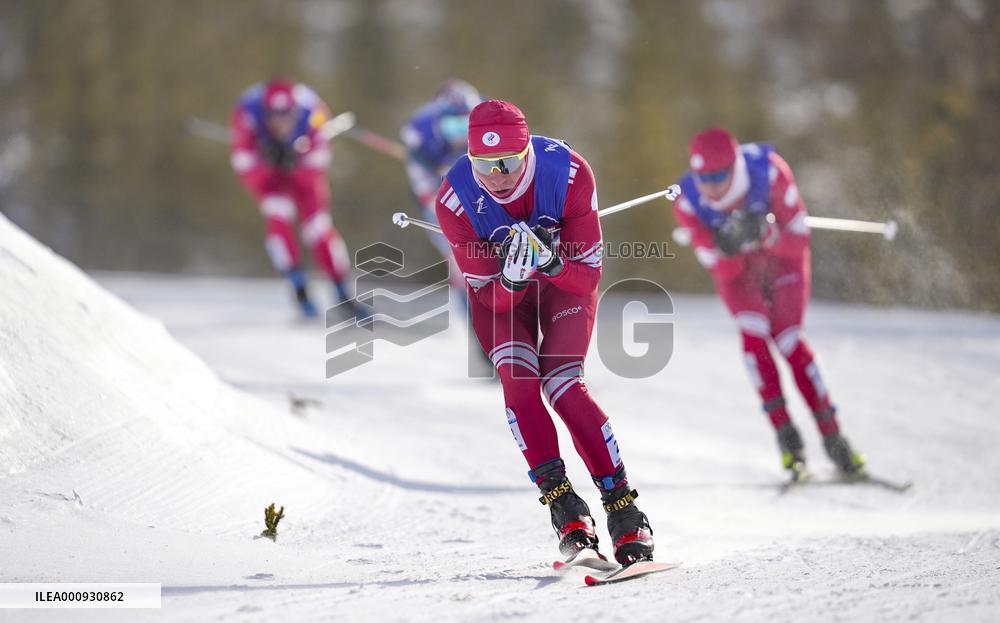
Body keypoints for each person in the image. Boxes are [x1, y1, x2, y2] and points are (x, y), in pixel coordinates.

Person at [434, 99, 655, 565]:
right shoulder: (454, 199)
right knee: (518, 378)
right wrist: (512, 278)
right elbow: (489, 300)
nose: (496, 176)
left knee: (562, 384)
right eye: (483, 164)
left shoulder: (568, 173)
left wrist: (551, 261)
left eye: (507, 163)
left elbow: (588, 278)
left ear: (527, 154)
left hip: (563, 288)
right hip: (502, 297)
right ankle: (565, 508)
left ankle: (624, 511)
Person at [672, 127, 865, 479]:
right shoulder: (686, 201)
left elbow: (799, 239)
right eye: (703, 177)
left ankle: (836, 441)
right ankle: (788, 441)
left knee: (789, 339)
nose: (710, 186)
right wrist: (727, 245)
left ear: (734, 167)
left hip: (782, 266)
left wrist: (765, 233)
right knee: (753, 337)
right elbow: (722, 270)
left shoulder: (770, 172)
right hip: (740, 276)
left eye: (718, 176)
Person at [230, 78, 353, 317]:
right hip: (269, 179)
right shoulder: (246, 114)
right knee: (279, 214)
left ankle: (343, 293)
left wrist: (295, 161)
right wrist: (267, 162)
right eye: (274, 116)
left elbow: (319, 161)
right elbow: (243, 165)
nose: (281, 122)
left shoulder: (314, 113)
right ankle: (299, 288)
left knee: (317, 227)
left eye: (287, 115)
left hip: (304, 176)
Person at [400, 79, 482, 312]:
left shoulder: (489, 120)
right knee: (457, 256)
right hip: (439, 192)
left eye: (464, 125)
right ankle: (472, 315)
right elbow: (425, 191)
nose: (459, 135)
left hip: (479, 189)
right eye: (452, 128)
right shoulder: (421, 133)